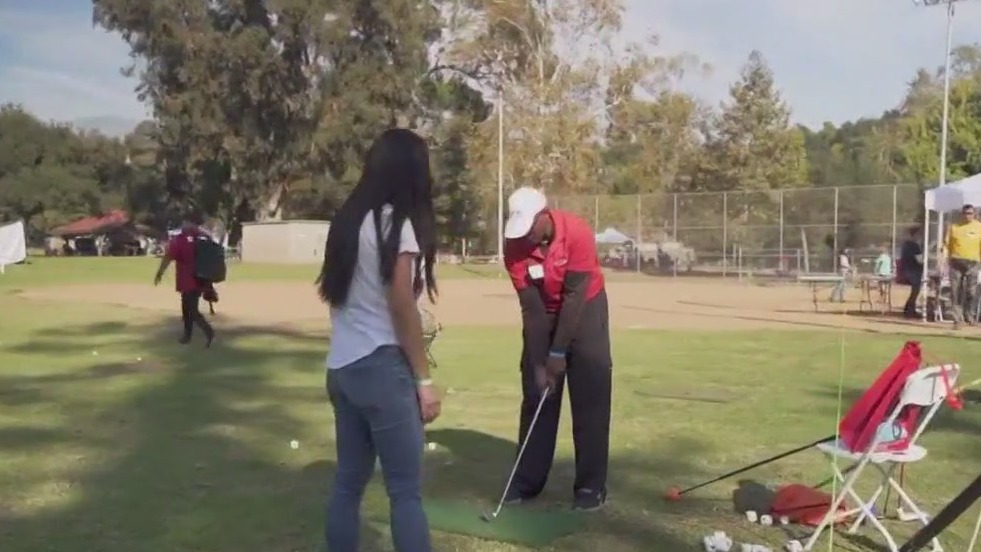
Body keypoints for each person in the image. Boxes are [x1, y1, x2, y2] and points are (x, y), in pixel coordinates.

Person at [316, 128, 440, 552]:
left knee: (348, 484)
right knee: (405, 491)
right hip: (382, 368)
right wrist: (424, 380)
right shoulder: (397, 225)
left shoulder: (348, 222)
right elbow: (400, 305)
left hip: (342, 368)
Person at [502, 186, 612, 511]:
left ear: (544, 215)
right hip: (544, 315)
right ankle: (526, 482)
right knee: (537, 395)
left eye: (530, 228)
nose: (526, 237)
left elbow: (575, 297)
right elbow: (532, 311)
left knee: (590, 397)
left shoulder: (576, 232)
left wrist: (558, 354)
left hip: (587, 310)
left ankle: (591, 487)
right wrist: (540, 363)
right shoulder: (515, 247)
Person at [153, 212, 215, 346]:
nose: (183, 224)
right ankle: (187, 336)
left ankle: (208, 331)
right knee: (186, 308)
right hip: (202, 279)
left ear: (189, 223)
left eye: (185, 222)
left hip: (188, 280)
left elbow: (168, 257)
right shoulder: (203, 237)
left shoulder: (181, 240)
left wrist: (159, 273)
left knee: (191, 309)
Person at [943, 204, 981, 327]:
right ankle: (957, 319)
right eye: (965, 213)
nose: (967, 216)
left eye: (970, 213)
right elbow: (946, 245)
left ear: (974, 214)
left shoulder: (979, 227)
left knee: (971, 291)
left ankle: (969, 316)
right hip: (956, 262)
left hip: (973, 263)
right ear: (961, 214)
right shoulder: (954, 227)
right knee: (956, 291)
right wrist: (943, 259)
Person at [900, 227, 924, 318]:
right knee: (915, 291)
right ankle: (909, 310)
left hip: (908, 269)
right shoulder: (914, 246)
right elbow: (920, 260)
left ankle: (909, 309)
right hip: (913, 271)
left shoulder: (905, 245)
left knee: (915, 291)